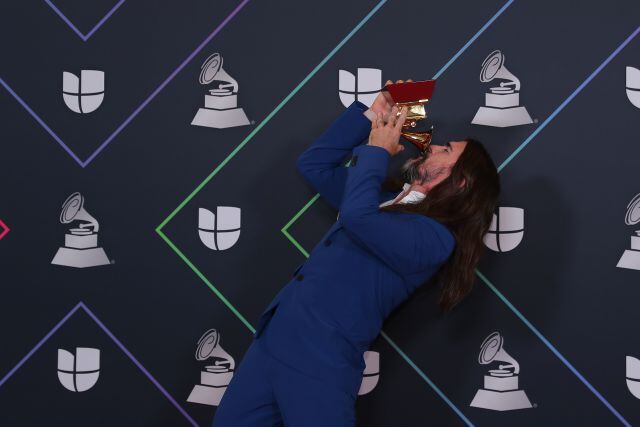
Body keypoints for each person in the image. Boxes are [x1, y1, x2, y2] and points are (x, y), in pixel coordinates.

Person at [212, 79, 500, 427]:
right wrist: (374, 113)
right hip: (275, 340)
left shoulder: (435, 239)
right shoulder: (383, 201)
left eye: (446, 150)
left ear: (461, 181)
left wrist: (377, 152)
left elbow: (357, 217)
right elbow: (315, 165)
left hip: (321, 358)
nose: (434, 146)